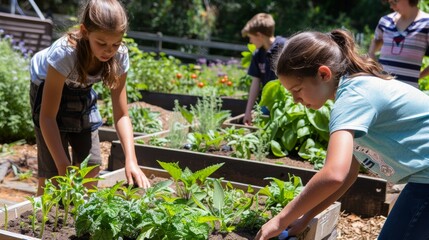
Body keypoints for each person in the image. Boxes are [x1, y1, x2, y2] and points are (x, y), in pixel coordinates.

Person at [255, 28, 429, 240]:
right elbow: (347, 175)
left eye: (297, 90)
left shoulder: (353, 98)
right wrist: (305, 218)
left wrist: (280, 219)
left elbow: (334, 174)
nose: (295, 100)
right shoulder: (353, 90)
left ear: (323, 74)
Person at [29, 0, 151, 196]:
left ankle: (82, 212)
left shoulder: (119, 55)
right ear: (85, 32)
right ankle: (43, 213)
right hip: (46, 86)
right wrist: (63, 164)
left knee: (92, 164)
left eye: (116, 43)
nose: (109, 50)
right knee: (52, 175)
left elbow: (121, 115)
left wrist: (131, 160)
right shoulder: (65, 54)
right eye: (101, 43)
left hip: (82, 90)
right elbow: (47, 117)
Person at [368, 0, 429, 88]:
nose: (391, 7)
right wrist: (372, 56)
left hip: (408, 91)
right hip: (381, 87)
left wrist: (419, 76)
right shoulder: (385, 21)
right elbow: (376, 41)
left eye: (394, 2)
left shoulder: (426, 23)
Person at [241, 13, 286, 125]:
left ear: (259, 35)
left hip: (285, 101)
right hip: (268, 102)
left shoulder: (284, 47)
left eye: (250, 37)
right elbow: (255, 83)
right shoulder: (258, 54)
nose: (250, 41)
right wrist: (248, 111)